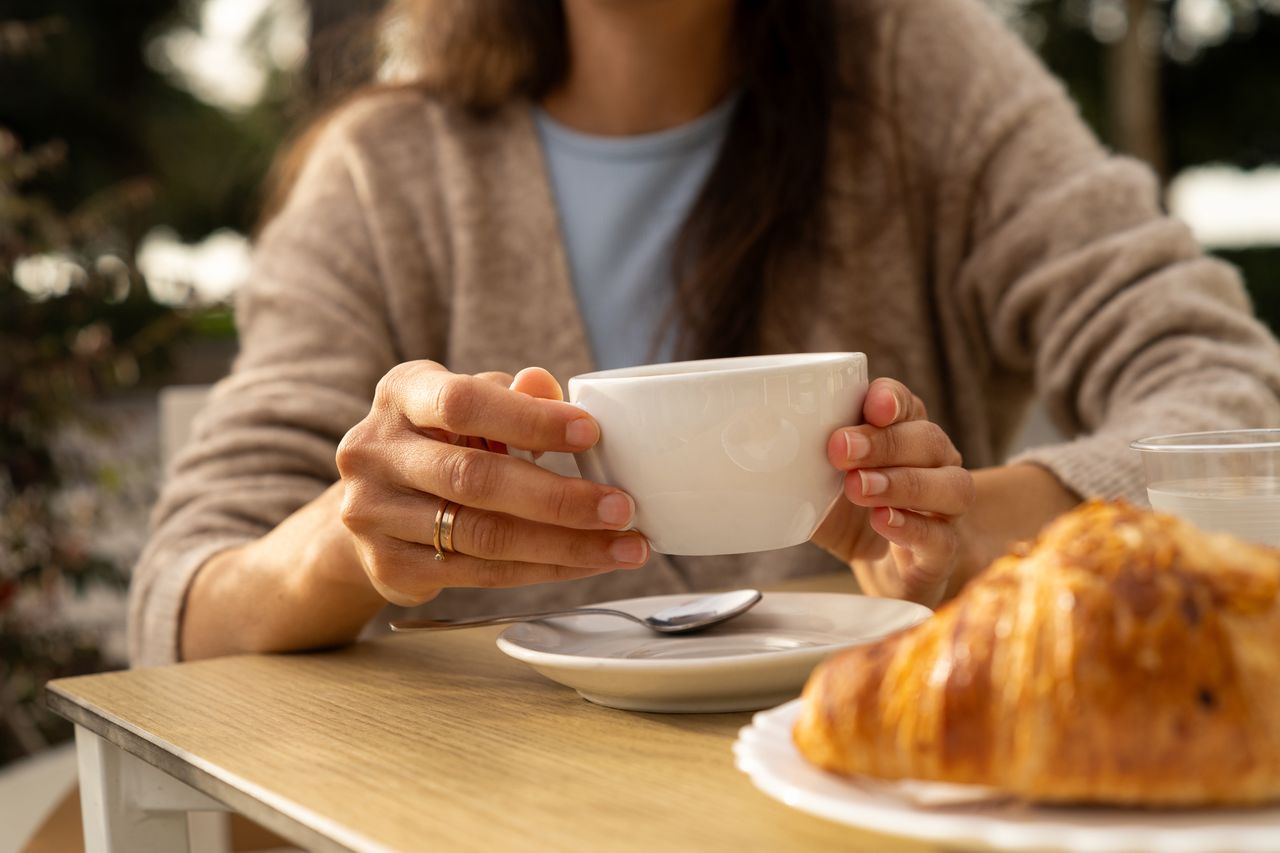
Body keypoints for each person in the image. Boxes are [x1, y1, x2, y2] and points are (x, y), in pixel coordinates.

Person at [129, 0, 1280, 667]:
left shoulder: (916, 70)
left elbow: (1230, 397)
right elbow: (177, 608)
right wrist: (359, 534)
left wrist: (981, 529)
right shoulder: (382, 173)